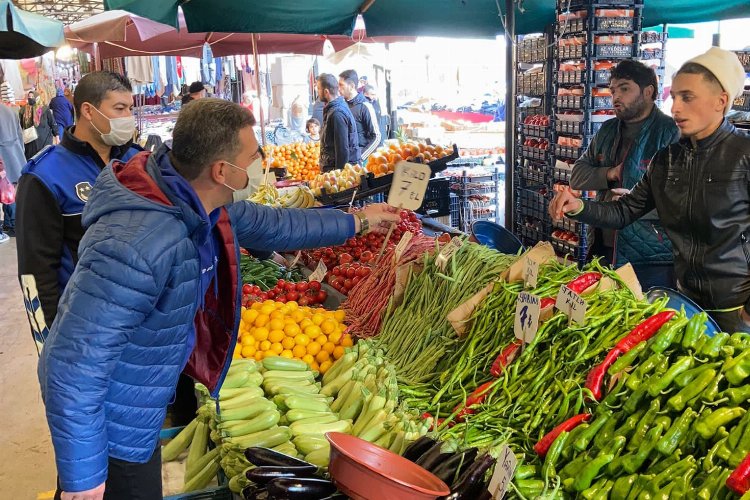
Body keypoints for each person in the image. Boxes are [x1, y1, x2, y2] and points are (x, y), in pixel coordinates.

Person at [39, 97, 399, 499]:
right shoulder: (136, 243)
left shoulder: (198, 201)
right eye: (254, 154)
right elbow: (72, 364)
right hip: (113, 427)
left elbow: (275, 225)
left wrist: (357, 220)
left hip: (141, 402)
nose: (261, 161)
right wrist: (84, 475)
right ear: (223, 171)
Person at [550, 47, 749, 333]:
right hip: (684, 298)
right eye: (675, 96)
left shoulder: (744, 153)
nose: (676, 107)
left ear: (721, 101)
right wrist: (578, 206)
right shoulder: (668, 159)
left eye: (688, 97)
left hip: (735, 305)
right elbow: (624, 212)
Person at [16, 71, 142, 331]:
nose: (128, 117)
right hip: (83, 325)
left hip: (141, 318)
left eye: (130, 108)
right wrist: (48, 338)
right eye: (119, 108)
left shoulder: (137, 162)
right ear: (88, 110)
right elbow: (35, 271)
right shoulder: (45, 177)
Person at [569, 60, 680, 288]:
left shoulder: (671, 133)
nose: (616, 97)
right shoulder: (607, 130)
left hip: (648, 257)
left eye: (625, 88)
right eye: (612, 90)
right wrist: (609, 173)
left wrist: (635, 203)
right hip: (602, 247)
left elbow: (681, 201)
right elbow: (577, 176)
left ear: (648, 91)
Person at [317, 73, 359, 172]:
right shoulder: (334, 109)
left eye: (318, 88)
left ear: (326, 91)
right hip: (330, 170)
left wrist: (338, 177)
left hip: (335, 174)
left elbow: (342, 150)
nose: (317, 91)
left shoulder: (337, 114)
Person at [339, 70, 381, 163]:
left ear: (351, 86)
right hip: (345, 160)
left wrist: (360, 157)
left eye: (341, 85)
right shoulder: (342, 105)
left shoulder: (365, 106)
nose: (338, 88)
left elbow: (377, 137)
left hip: (361, 161)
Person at [0, 99, 25, 237]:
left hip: (2, 158)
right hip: (14, 154)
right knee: (9, 191)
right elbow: (20, 136)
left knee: (4, 191)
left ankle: (12, 224)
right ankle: (10, 224)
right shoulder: (10, 111)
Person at [20, 90, 58, 160]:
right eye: (29, 97)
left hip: (44, 140)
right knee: (31, 160)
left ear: (37, 97)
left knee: (44, 160)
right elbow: (20, 126)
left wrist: (57, 136)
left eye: (32, 96)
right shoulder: (23, 109)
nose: (31, 98)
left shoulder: (44, 109)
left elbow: (52, 123)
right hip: (30, 141)